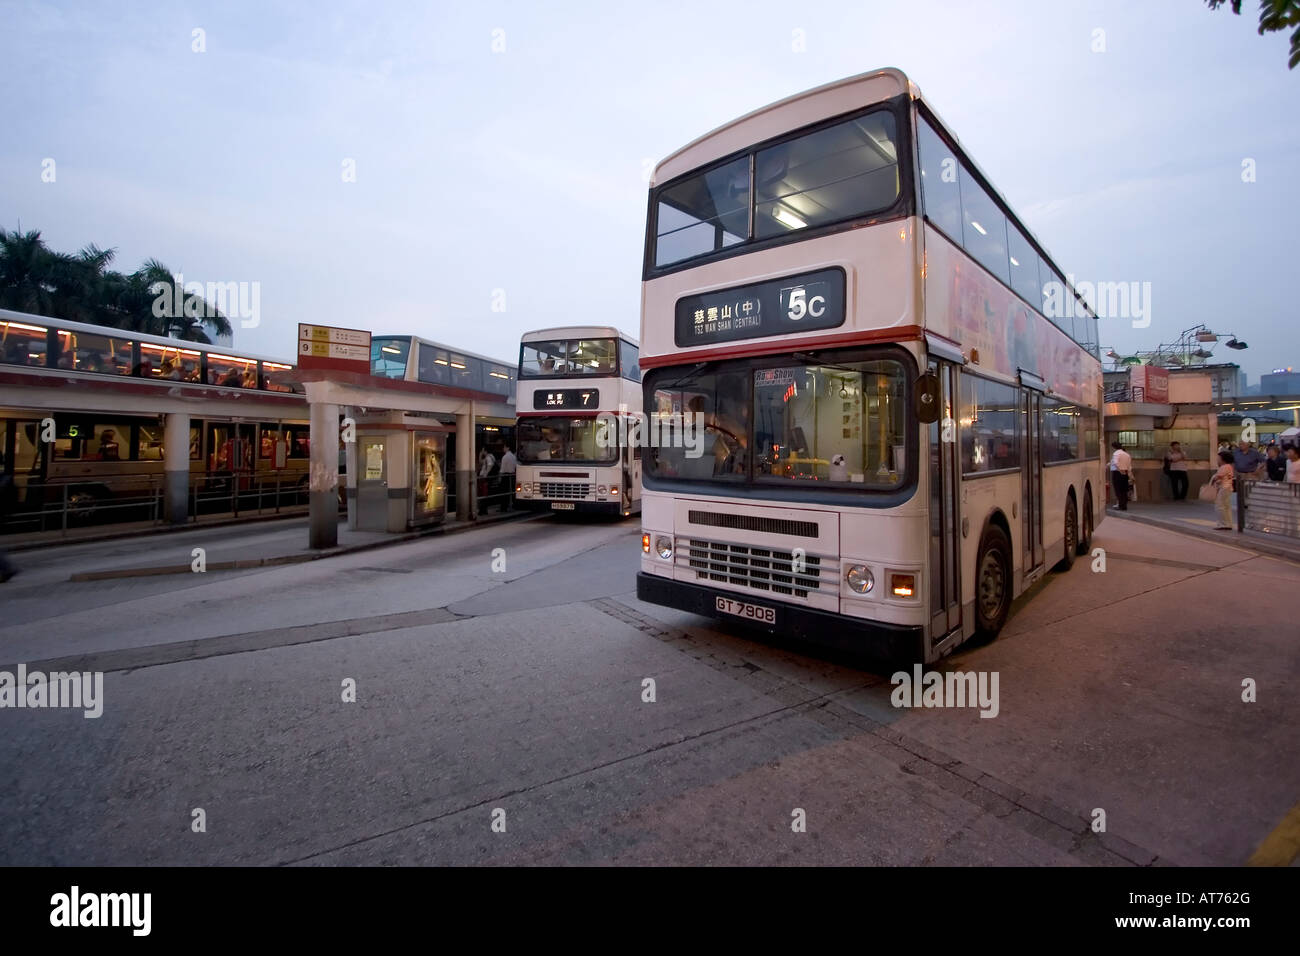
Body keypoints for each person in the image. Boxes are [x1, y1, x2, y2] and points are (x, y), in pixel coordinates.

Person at [1212, 449, 1236, 530]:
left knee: (1220, 505)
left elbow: (1218, 477)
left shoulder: (1224, 467)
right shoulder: (1229, 466)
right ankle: (1228, 523)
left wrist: (1213, 480)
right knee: (1226, 506)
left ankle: (1223, 523)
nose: (1217, 460)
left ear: (1223, 459)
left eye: (1218, 458)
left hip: (1223, 488)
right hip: (1228, 487)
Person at [1109, 441, 1132, 511]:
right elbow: (1129, 466)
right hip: (1125, 473)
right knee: (1124, 490)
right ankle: (1124, 506)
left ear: (1114, 447)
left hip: (1117, 473)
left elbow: (1116, 463)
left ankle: (1120, 505)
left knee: (1118, 490)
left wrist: (1119, 469)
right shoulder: (1127, 454)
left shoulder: (1116, 453)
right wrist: (1130, 474)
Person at [499, 444, 517, 511]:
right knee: (511, 491)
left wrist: (500, 477)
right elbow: (515, 466)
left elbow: (502, 469)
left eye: (504, 447)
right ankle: (513, 505)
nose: (503, 448)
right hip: (512, 475)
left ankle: (503, 507)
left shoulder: (505, 457)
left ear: (507, 447)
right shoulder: (513, 456)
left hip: (505, 475)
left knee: (504, 492)